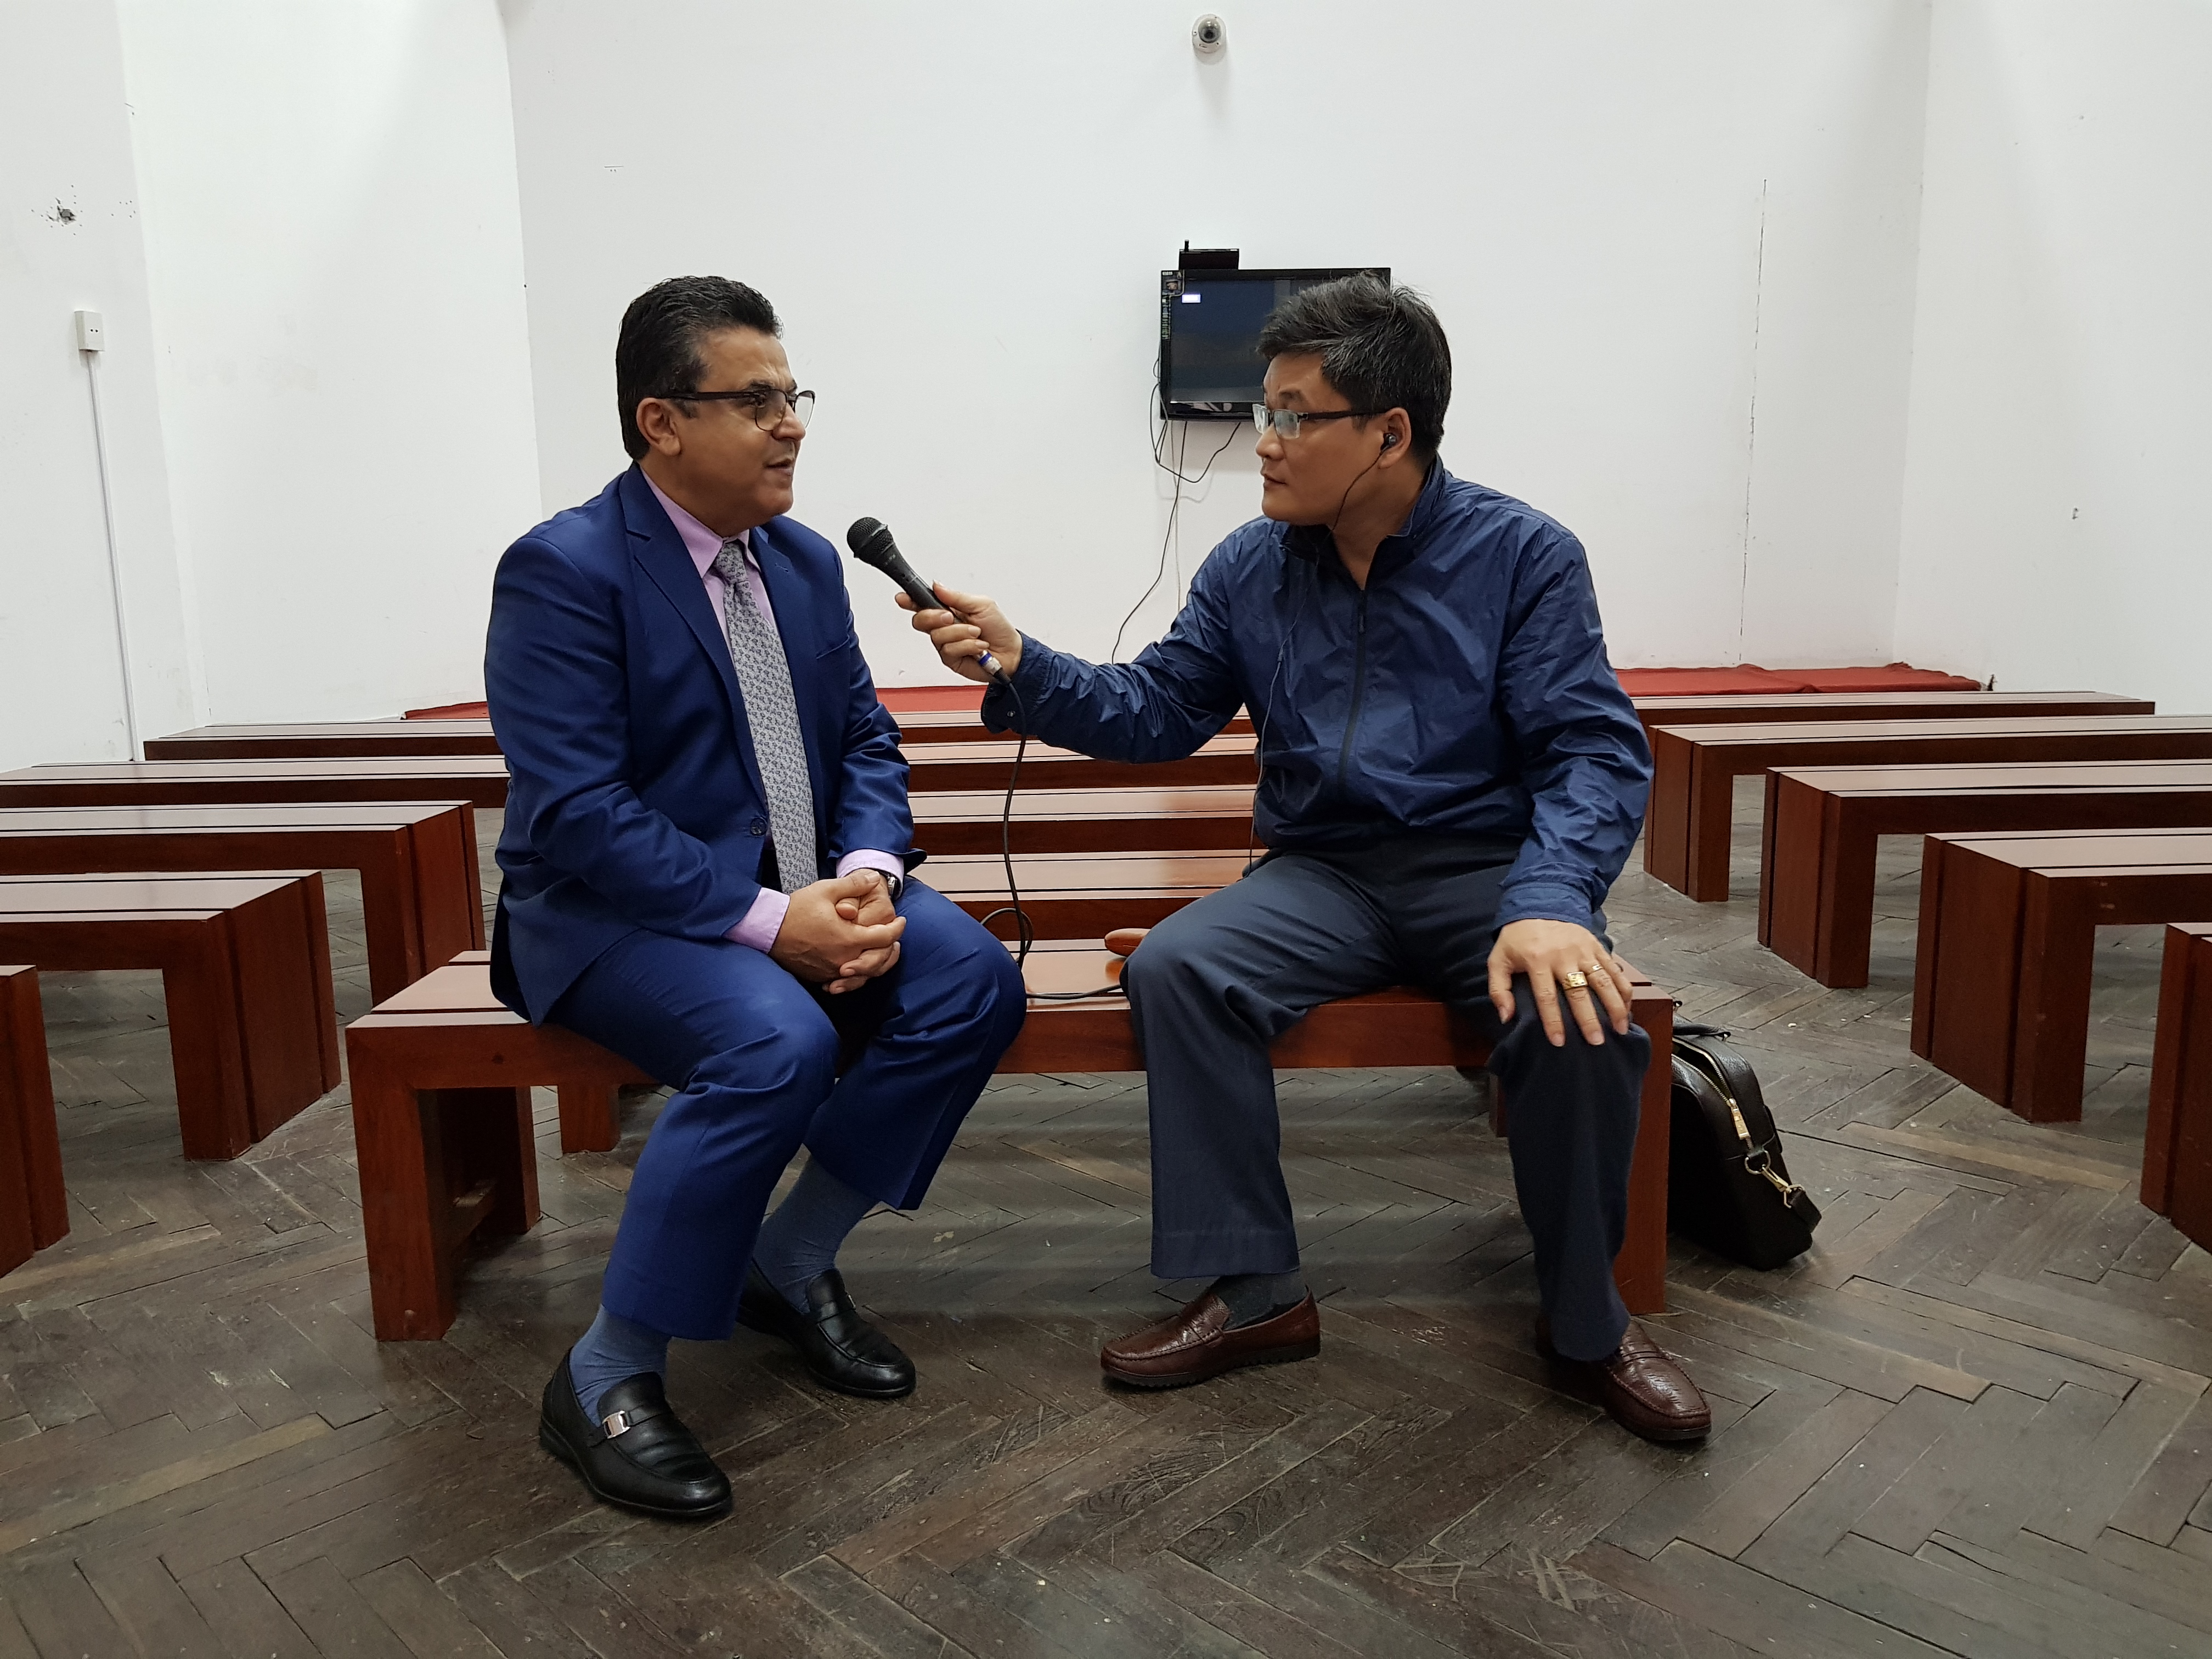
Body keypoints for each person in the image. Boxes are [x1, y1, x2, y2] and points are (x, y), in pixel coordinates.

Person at [905, 275, 1709, 1442]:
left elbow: (1592, 749)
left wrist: (1550, 899)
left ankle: (1589, 1321)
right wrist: (1026, 664)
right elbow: (1159, 709)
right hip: (1323, 874)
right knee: (1181, 967)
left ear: (1389, 433)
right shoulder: (1252, 565)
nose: (1265, 443)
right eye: (1263, 411)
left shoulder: (1522, 556)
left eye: (1293, 415)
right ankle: (1257, 1289)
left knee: (1578, 1012)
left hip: (1486, 870)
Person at [485, 276, 1027, 1520]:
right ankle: (606, 1372)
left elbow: (865, 738)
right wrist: (777, 924)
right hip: (611, 916)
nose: (791, 425)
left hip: (806, 883)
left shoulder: (802, 559)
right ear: (662, 421)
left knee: (972, 980)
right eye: (757, 400)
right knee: (774, 1041)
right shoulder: (566, 569)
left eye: (795, 397)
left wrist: (869, 873)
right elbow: (577, 811)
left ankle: (790, 1260)